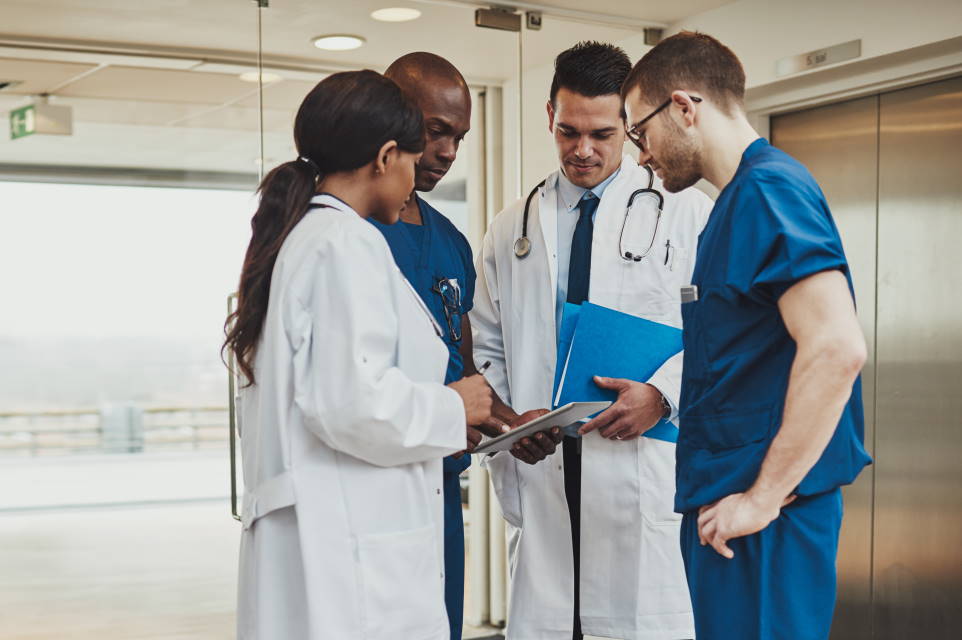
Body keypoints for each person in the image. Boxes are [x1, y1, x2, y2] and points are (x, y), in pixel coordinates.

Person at [224, 70, 493, 640]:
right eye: (417, 154)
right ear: (387, 156)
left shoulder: (307, 238)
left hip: (329, 530)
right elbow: (350, 404)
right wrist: (454, 405)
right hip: (348, 542)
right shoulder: (347, 243)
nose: (422, 173)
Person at [621, 32, 872, 640]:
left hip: (764, 521)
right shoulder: (733, 205)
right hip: (732, 510)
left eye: (638, 132)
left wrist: (762, 497)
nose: (641, 156)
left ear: (684, 107)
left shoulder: (768, 190)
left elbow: (837, 347)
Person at [472, 41, 713, 640]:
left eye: (602, 134)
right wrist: (509, 427)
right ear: (549, 114)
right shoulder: (512, 226)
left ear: (629, 125)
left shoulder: (686, 212)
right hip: (546, 466)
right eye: (568, 130)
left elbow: (723, 334)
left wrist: (662, 394)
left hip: (639, 465)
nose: (583, 149)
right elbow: (487, 345)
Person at [371, 51, 505, 640]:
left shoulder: (451, 243)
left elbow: (464, 366)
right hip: (374, 485)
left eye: (460, 137)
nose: (449, 152)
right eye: (436, 131)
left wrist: (511, 422)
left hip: (441, 482)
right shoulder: (348, 235)